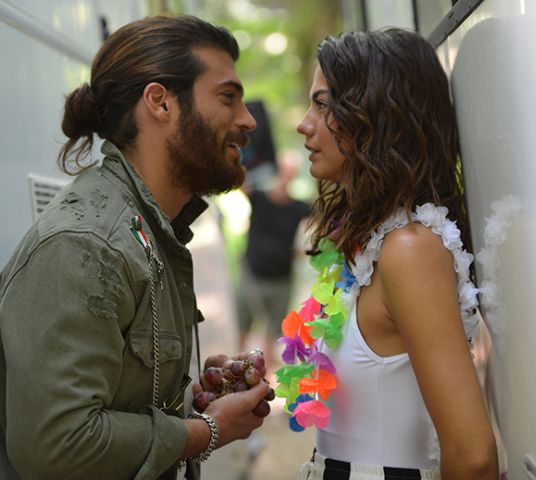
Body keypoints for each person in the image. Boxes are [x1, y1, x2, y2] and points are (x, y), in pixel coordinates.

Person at [0, 15, 271, 480]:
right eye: (228, 97)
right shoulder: (86, 245)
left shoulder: (148, 229)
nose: (247, 119)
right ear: (160, 102)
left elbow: (119, 405)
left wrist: (198, 400)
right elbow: (58, 443)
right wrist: (204, 432)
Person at [285, 29, 498, 479]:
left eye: (323, 105)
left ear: (376, 116)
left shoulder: (410, 249)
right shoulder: (366, 239)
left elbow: (473, 456)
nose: (304, 124)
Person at [237, 149, 310, 369]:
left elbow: (323, 227)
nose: (286, 175)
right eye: (283, 169)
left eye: (291, 171)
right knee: (244, 323)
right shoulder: (258, 197)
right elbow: (239, 180)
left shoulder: (300, 208)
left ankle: (264, 370)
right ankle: (237, 366)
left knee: (273, 330)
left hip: (281, 279)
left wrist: (301, 254)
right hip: (251, 274)